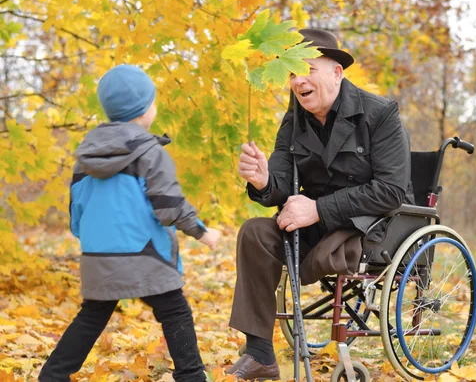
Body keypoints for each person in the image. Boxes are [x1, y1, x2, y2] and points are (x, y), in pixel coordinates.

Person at [226, 29, 414, 381]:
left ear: (336, 72)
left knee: (328, 247)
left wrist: (317, 209)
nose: (298, 81)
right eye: (292, 72)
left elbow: (391, 191)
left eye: (307, 69)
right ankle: (260, 354)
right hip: (314, 226)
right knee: (254, 232)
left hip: (369, 227)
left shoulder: (380, 114)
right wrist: (263, 181)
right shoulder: (294, 118)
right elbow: (281, 182)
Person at [39, 64, 221, 382]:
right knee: (174, 311)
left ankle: (53, 375)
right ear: (144, 109)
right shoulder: (151, 153)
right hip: (146, 256)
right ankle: (192, 376)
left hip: (99, 258)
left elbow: (77, 215)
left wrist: (95, 240)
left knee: (92, 316)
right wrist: (202, 231)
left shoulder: (86, 158)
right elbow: (169, 205)